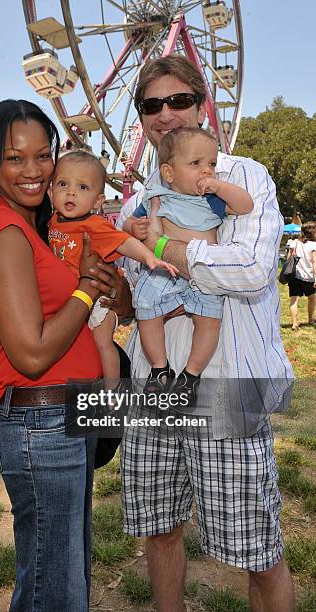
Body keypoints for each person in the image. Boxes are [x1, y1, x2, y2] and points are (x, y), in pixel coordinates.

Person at [116, 56, 295, 611]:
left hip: (230, 385)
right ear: (142, 119)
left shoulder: (244, 176)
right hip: (154, 386)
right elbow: (133, 297)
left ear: (202, 104)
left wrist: (165, 248)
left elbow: (252, 270)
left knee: (255, 547)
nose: (166, 114)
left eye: (178, 101)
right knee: (160, 525)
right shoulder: (134, 204)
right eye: (152, 105)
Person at [0, 99, 128, 612]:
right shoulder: (2, 231)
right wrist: (82, 291)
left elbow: (118, 302)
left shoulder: (46, 228)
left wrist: (102, 280)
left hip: (66, 414)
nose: (33, 171)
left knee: (64, 576)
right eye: (15, 158)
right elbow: (31, 353)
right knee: (54, 590)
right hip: (39, 419)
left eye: (43, 155)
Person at [122, 127, 253, 400]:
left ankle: (191, 374)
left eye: (212, 164)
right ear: (169, 173)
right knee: (146, 313)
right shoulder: (157, 196)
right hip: (162, 272)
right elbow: (128, 224)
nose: (207, 171)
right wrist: (134, 228)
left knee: (209, 322)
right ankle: (160, 367)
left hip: (201, 276)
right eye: (196, 164)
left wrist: (221, 187)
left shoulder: (212, 200)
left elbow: (245, 206)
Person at [49, 150, 177, 387]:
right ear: (50, 191)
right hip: (76, 297)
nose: (71, 192)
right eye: (63, 184)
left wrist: (149, 257)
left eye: (82, 187)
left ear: (98, 201)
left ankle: (111, 389)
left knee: (101, 339)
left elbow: (124, 242)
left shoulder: (94, 225)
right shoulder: (52, 221)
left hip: (102, 296)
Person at [287, 220, 316, 329]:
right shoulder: (313, 245)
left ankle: (294, 323)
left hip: (294, 276)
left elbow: (288, 259)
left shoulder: (294, 242)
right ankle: (310, 318)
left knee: (294, 299)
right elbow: (314, 262)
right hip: (309, 277)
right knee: (312, 298)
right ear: (312, 232)